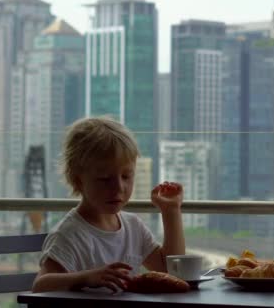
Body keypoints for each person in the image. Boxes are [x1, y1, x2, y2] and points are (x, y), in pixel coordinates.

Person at [32, 116, 186, 293]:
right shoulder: (69, 235)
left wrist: (171, 211)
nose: (118, 188)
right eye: (105, 179)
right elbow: (40, 286)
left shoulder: (133, 226)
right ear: (78, 181)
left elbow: (173, 271)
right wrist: (86, 278)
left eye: (126, 176)